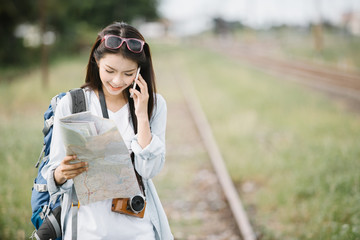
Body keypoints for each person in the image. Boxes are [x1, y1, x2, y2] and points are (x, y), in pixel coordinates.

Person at [43, 22, 173, 239]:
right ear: (96, 61)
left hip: (138, 228)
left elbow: (148, 170)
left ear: (140, 71)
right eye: (110, 71)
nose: (117, 81)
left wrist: (141, 115)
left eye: (128, 73)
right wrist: (61, 173)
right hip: (86, 228)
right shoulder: (72, 103)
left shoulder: (154, 105)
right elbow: (54, 175)